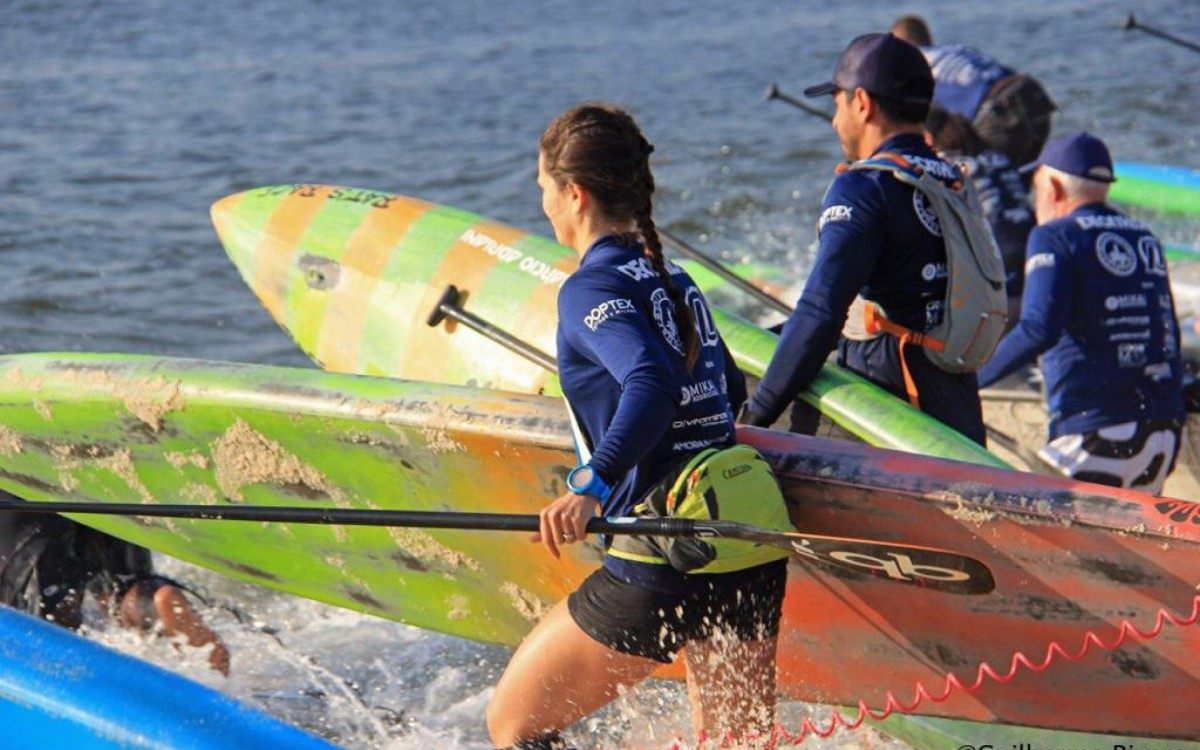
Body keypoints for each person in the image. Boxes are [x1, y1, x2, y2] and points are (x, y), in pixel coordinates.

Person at [485, 104, 793, 750]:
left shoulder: (589, 290)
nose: (542, 204)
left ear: (575, 193)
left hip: (662, 548)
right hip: (744, 539)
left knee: (514, 725)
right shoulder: (676, 280)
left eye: (543, 188)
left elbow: (652, 383)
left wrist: (592, 481)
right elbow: (729, 392)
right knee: (734, 745)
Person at [740, 33, 987, 446]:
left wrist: (754, 416)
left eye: (837, 104)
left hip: (894, 417)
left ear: (862, 103)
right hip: (958, 407)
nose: (836, 121)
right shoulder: (951, 181)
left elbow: (821, 311)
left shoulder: (866, 188)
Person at [977, 133, 1185, 495]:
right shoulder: (1145, 236)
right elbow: (1168, 331)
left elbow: (1039, 329)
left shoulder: (1053, 236)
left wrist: (971, 379)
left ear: (1054, 187)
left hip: (1094, 435)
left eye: (1036, 184)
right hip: (1164, 432)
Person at [0, 497, 230, 674]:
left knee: (38, 623)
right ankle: (150, 600)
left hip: (18, 480)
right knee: (122, 590)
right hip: (94, 468)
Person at [891, 14, 1056, 165]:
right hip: (1033, 98)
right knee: (1016, 180)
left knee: (988, 178)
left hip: (1002, 114)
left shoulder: (917, 65)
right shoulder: (957, 51)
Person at [924, 105, 1034, 323]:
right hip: (1030, 246)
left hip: (996, 259)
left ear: (927, 138)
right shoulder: (998, 158)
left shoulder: (942, 166)